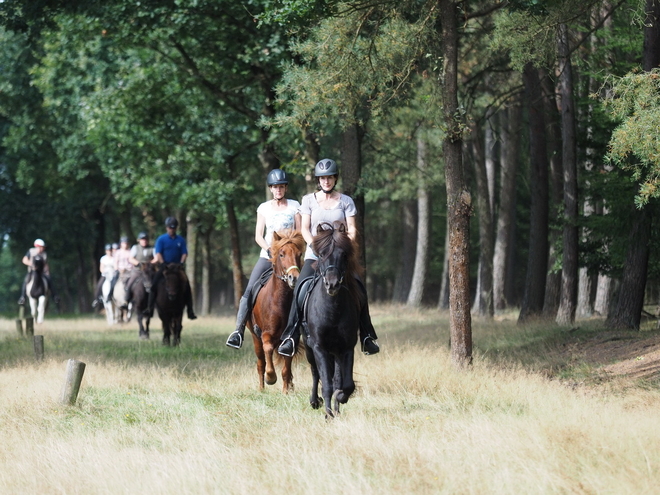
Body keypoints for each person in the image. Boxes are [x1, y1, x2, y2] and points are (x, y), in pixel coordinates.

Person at [277, 158, 379, 357]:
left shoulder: (346, 201)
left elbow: (352, 229)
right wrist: (315, 247)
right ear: (318, 180)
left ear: (335, 179)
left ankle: (367, 335)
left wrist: (343, 248)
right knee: (300, 288)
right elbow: (305, 228)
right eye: (322, 178)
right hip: (315, 255)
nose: (326, 181)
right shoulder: (308, 201)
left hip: (339, 257)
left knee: (358, 287)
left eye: (329, 178)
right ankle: (290, 335)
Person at [226, 169, 301, 349]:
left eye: (281, 187)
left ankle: (305, 328)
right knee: (250, 289)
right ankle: (238, 331)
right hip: (267, 257)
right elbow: (258, 235)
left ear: (285, 188)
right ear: (271, 189)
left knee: (305, 288)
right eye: (275, 187)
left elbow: (299, 233)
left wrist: (294, 250)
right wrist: (268, 249)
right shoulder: (264, 208)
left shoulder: (294, 206)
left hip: (289, 259)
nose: (278, 190)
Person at [144, 217, 197, 320]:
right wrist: (162, 262)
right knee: (154, 285)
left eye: (173, 228)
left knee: (186, 285)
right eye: (170, 227)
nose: (171, 229)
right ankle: (149, 308)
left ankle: (190, 310)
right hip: (165, 267)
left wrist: (181, 263)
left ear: (176, 228)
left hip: (177, 267)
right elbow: (158, 253)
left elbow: (184, 253)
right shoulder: (161, 239)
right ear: (166, 228)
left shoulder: (180, 240)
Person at [18, 238, 59, 305]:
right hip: (32, 272)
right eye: (42, 247)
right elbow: (24, 260)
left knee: (49, 280)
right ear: (37, 246)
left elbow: (45, 264)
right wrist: (32, 264)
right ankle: (22, 297)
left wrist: (47, 272)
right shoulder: (31, 251)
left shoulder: (44, 254)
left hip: (41, 273)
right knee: (26, 281)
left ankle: (55, 296)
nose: (43, 248)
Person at [124, 232, 154, 306]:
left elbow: (156, 258)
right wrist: (137, 263)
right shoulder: (135, 247)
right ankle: (127, 299)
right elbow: (131, 258)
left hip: (148, 271)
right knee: (129, 283)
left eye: (146, 239)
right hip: (138, 270)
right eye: (142, 239)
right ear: (139, 240)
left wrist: (150, 263)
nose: (144, 241)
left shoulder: (152, 248)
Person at [107, 237, 132, 304]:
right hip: (120, 271)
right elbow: (115, 263)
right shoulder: (118, 252)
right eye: (124, 243)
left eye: (126, 243)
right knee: (113, 281)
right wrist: (118, 269)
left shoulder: (130, 252)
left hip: (130, 271)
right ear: (121, 244)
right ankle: (110, 295)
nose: (125, 244)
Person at [92, 244, 115, 308]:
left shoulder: (114, 258)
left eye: (110, 250)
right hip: (105, 275)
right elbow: (101, 268)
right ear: (106, 251)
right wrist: (104, 272)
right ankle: (97, 299)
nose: (109, 252)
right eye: (108, 250)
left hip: (113, 275)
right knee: (99, 285)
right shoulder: (103, 258)